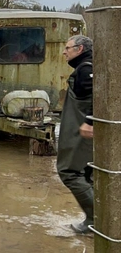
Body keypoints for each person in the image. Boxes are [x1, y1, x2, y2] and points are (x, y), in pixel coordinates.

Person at [57, 35, 94, 234]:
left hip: (83, 132)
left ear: (79, 49)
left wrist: (90, 121)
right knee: (89, 173)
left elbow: (100, 97)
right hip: (84, 130)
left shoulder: (86, 69)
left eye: (68, 48)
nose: (64, 52)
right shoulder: (89, 66)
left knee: (69, 172)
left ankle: (95, 220)